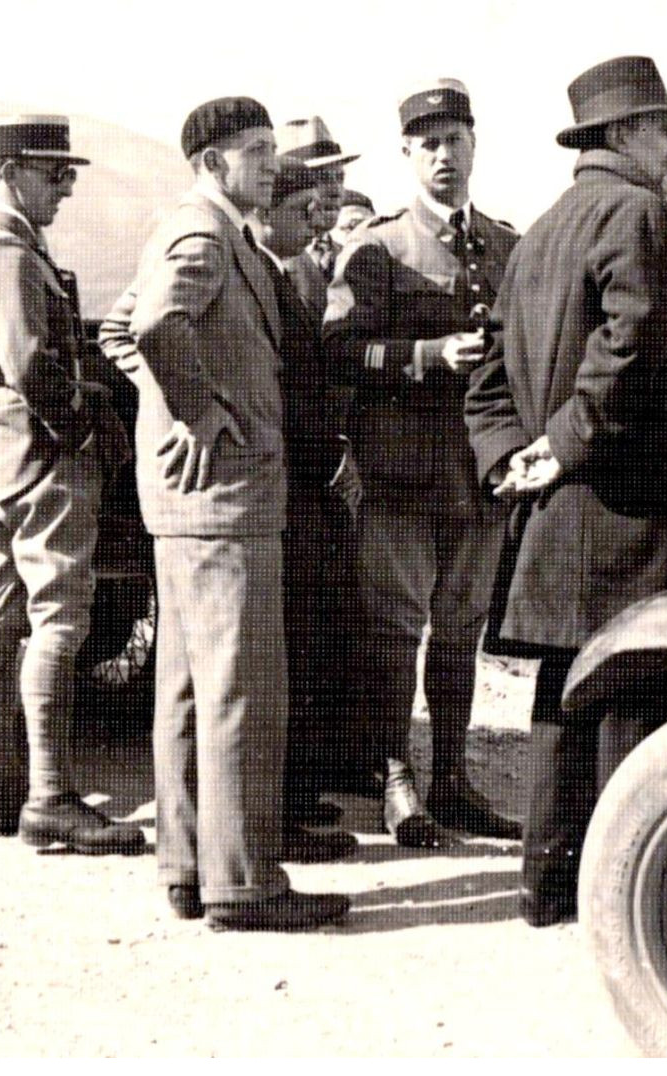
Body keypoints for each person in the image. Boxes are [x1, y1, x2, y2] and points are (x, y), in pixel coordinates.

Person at [464, 57, 667, 926]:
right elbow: (631, 348)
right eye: (666, 128)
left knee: (565, 704)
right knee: (646, 704)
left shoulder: (538, 234)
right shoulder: (637, 215)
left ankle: (549, 888)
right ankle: (628, 906)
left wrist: (511, 458)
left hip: (564, 521)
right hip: (639, 524)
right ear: (625, 134)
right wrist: (559, 444)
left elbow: (485, 378)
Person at [97, 97, 349, 931]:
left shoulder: (208, 229)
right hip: (222, 498)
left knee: (186, 686)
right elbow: (156, 323)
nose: (271, 165)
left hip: (194, 501)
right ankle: (243, 884)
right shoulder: (204, 234)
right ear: (210, 162)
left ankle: (186, 865)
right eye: (255, 151)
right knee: (241, 688)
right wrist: (198, 415)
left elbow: (118, 330)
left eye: (272, 148)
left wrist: (173, 409)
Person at [324, 78, 522, 847]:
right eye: (428, 144)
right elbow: (338, 350)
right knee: (395, 631)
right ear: (407, 154)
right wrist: (428, 355)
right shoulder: (376, 248)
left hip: (476, 479)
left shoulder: (506, 246)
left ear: (475, 144)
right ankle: (395, 779)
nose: (444, 155)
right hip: (402, 476)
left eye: (455, 140)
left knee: (460, 631)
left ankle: (452, 780)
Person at [0, 115, 144, 855]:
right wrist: (86, 434)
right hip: (41, 453)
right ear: (9, 172)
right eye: (53, 172)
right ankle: (51, 797)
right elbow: (32, 366)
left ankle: (2, 792)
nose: (66, 186)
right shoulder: (7, 254)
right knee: (59, 617)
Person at [254, 155, 364, 833]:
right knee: (291, 643)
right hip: (288, 479)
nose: (315, 222)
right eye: (302, 211)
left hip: (306, 475)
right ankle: (281, 808)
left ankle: (294, 794)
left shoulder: (282, 273)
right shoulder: (258, 275)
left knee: (311, 637)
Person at [276, 115, 360, 304]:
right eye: (321, 179)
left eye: (340, 178)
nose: (336, 191)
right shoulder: (270, 258)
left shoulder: (352, 257)